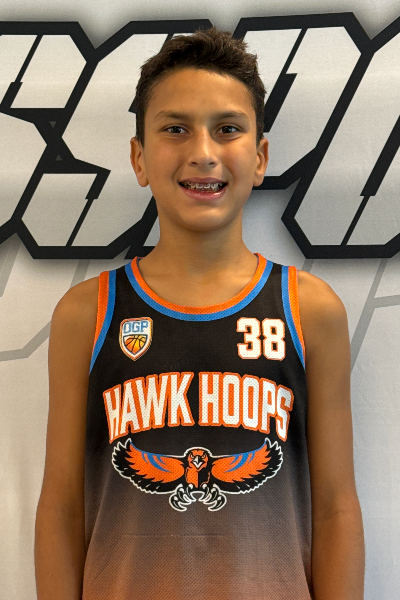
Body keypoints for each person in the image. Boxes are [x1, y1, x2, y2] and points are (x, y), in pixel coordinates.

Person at [35, 26, 365, 600]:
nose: (204, 152)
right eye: (175, 128)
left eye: (228, 128)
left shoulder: (309, 310)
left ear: (260, 158)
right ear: (139, 157)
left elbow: (336, 507)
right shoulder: (86, 314)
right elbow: (62, 506)